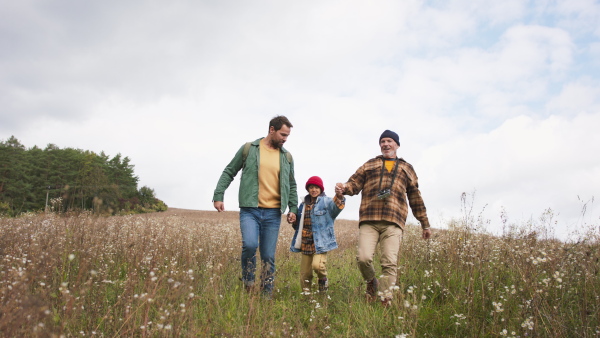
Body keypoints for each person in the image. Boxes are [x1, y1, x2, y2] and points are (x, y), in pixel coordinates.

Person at [335, 130, 432, 306]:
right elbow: (354, 183)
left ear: (397, 145)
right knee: (363, 258)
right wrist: (344, 188)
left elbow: (415, 198)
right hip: (369, 219)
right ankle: (372, 282)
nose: (386, 144)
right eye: (383, 141)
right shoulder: (370, 165)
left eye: (389, 141)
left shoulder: (407, 168)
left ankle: (385, 300)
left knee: (389, 262)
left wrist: (424, 224)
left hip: (393, 221)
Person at [213, 115, 298, 299]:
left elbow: (292, 184)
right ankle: (249, 282)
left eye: (287, 136)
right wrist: (219, 195)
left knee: (268, 255)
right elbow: (229, 171)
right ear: (272, 130)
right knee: (250, 245)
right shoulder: (249, 149)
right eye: (283, 134)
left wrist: (293, 208)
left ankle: (267, 294)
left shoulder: (287, 157)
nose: (285, 139)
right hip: (250, 209)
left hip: (273, 213)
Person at [290, 176, 345, 293]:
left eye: (316, 187)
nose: (313, 190)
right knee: (305, 274)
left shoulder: (326, 201)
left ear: (320, 189)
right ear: (308, 189)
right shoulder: (303, 204)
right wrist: (293, 220)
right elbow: (298, 225)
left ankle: (322, 280)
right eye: (311, 187)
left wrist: (339, 196)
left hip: (320, 242)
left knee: (318, 266)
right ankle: (306, 296)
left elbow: (337, 207)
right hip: (306, 241)